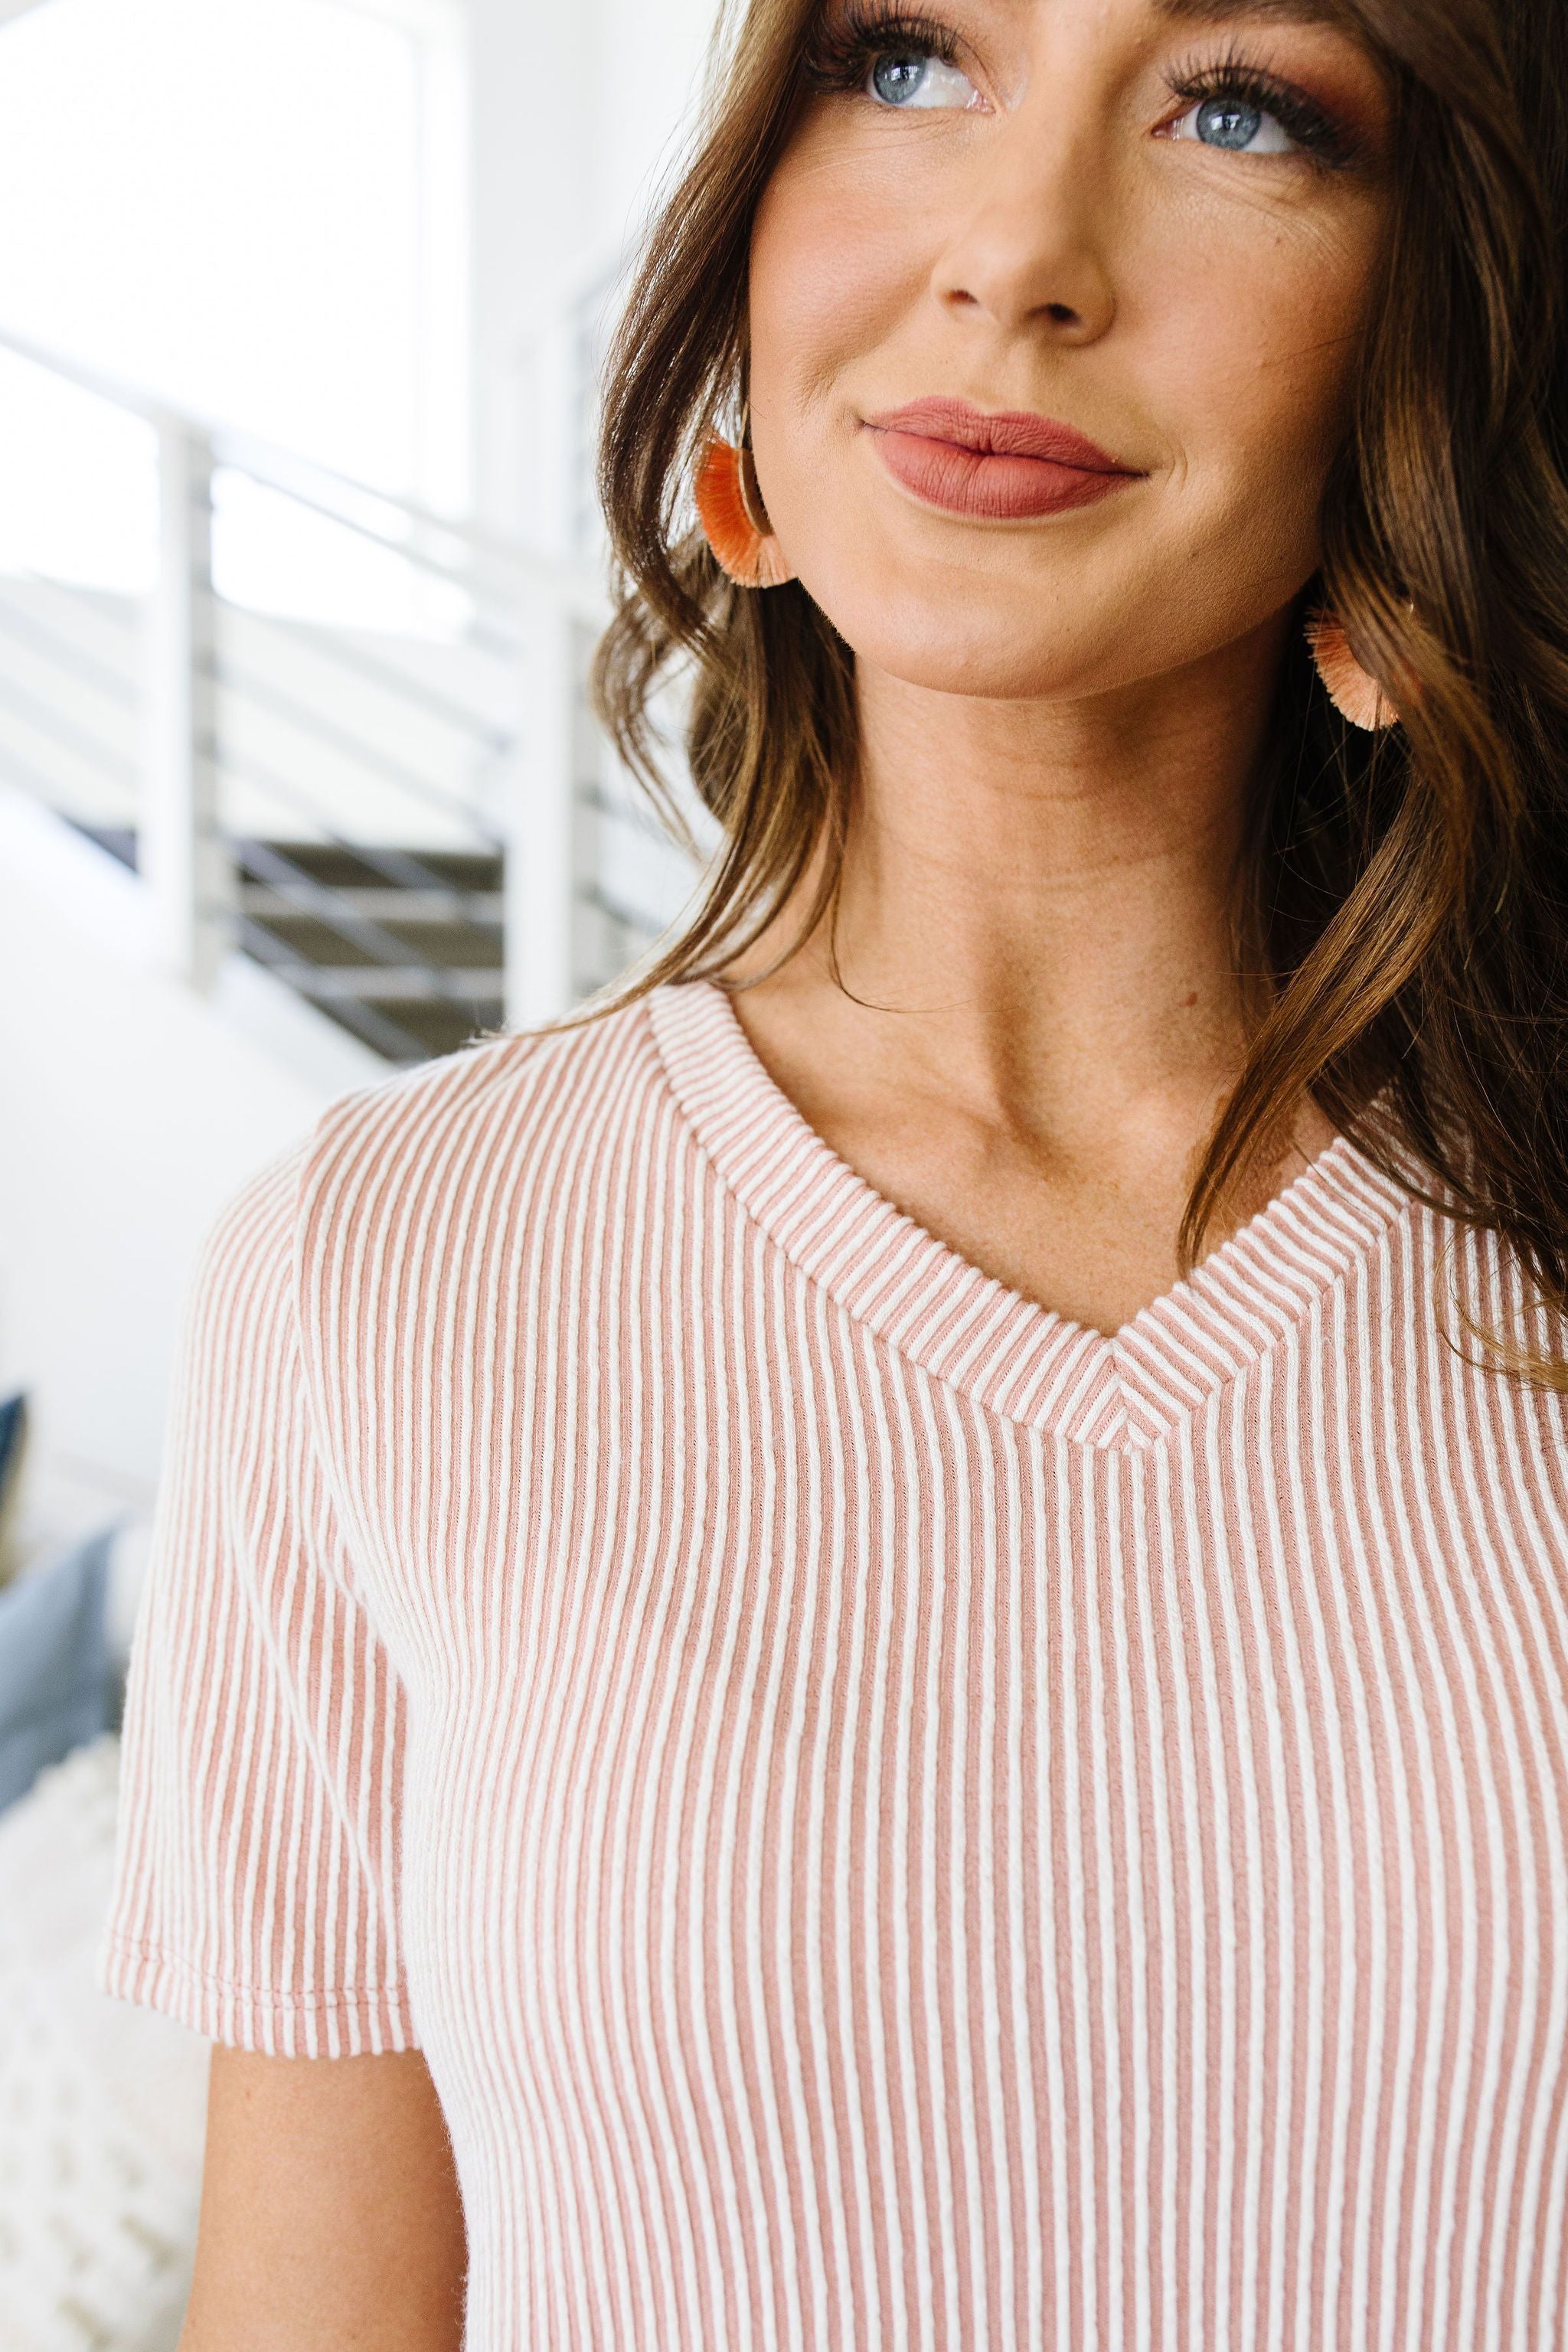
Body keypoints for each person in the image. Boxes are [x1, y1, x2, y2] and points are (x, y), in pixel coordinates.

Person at [106, 0, 1568, 2343]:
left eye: (1242, 107)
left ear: (1432, 329)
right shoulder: (376, 1269)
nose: (1015, 253)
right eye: (905, 61)